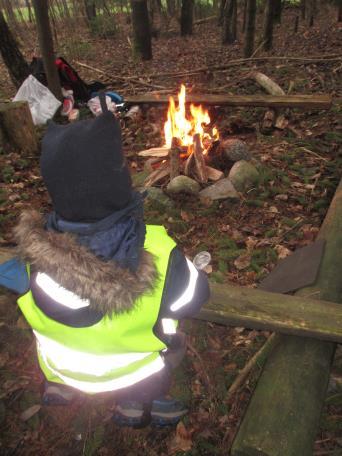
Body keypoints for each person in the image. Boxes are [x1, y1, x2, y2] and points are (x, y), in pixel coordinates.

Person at [0, 96, 210, 427]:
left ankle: (61, 390)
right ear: (120, 182)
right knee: (171, 335)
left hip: (62, 368)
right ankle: (136, 403)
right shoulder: (157, 250)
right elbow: (196, 299)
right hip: (130, 372)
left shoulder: (29, 256)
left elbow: (9, 277)